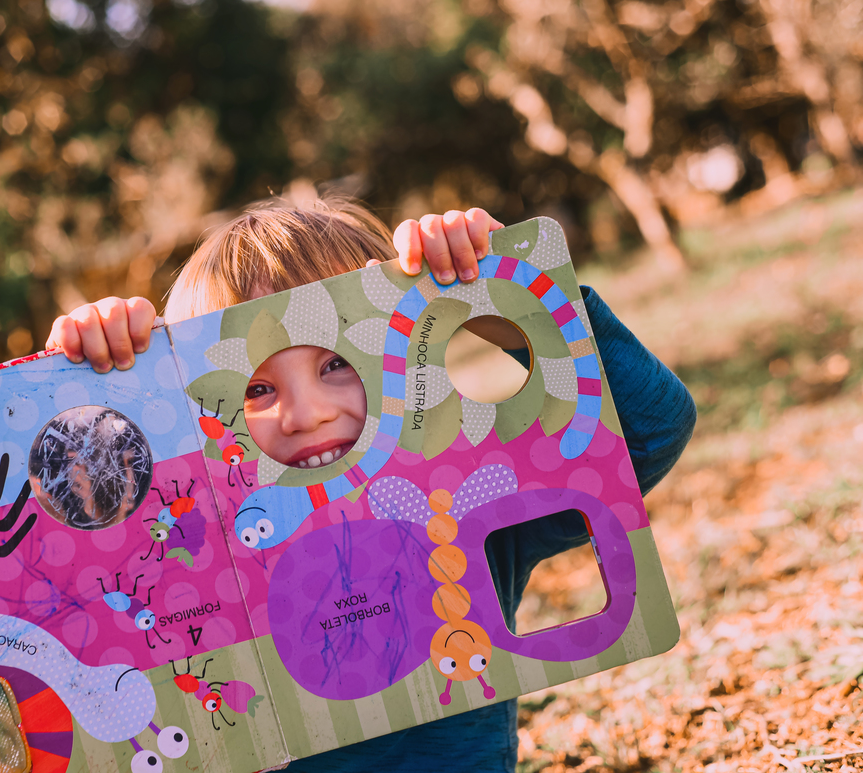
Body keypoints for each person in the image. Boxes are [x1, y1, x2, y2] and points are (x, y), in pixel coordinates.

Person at [45, 196, 697, 772]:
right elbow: (77, 579)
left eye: (336, 362)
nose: (309, 414)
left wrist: (501, 296)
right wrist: (87, 387)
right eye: (259, 387)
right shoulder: (202, 551)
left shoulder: (456, 502)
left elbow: (647, 434)